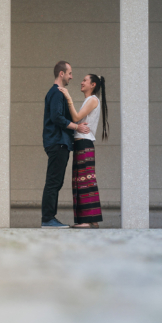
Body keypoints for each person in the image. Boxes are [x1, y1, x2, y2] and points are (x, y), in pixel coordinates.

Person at [41, 61, 90, 228]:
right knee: (54, 181)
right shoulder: (56, 93)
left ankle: (49, 218)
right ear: (61, 74)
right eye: (69, 73)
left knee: (56, 181)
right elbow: (57, 118)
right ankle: (48, 219)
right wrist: (77, 127)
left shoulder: (58, 93)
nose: (72, 76)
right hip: (57, 142)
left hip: (59, 142)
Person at [58, 74, 109, 228]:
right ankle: (91, 219)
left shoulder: (93, 99)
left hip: (84, 144)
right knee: (85, 180)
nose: (81, 82)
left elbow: (76, 117)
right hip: (83, 144)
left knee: (84, 181)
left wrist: (68, 96)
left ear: (93, 84)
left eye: (85, 80)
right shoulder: (90, 100)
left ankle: (86, 221)